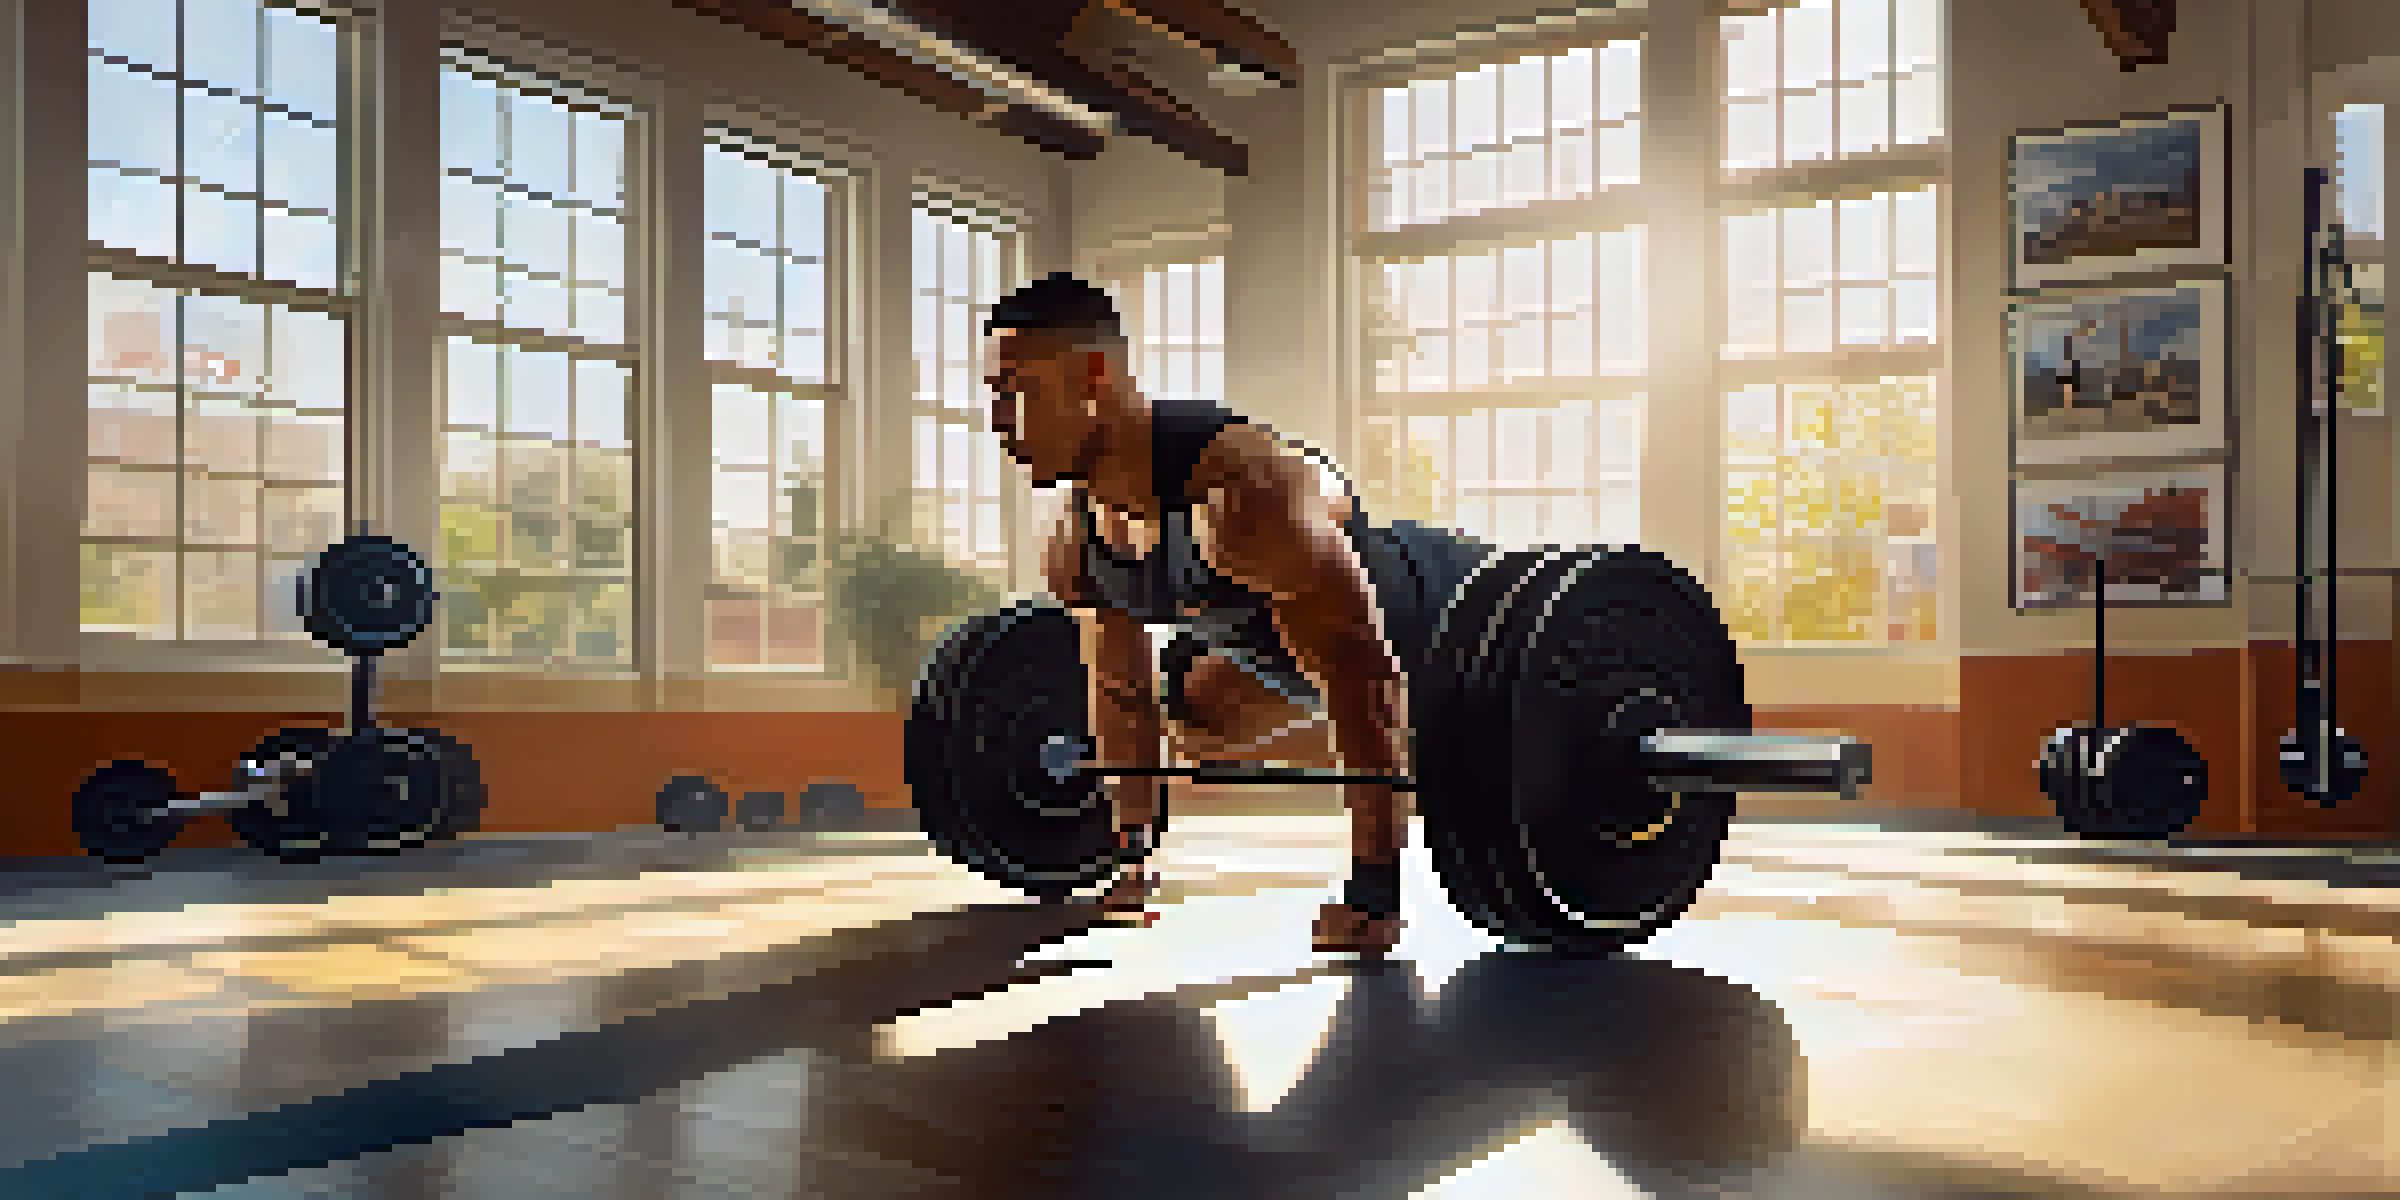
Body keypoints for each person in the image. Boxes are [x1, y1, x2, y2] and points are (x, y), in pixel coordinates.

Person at [980, 273, 1487, 957]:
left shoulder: (1242, 499)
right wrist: (1133, 857)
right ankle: (1435, 755)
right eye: (993, 397)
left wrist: (1375, 891)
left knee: (1382, 701)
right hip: (1300, 665)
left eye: (1019, 393)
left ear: (1093, 377)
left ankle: (1444, 753)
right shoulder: (1076, 545)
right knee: (1192, 716)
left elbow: (1363, 677)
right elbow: (1121, 694)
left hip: (1457, 616)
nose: (999, 422)